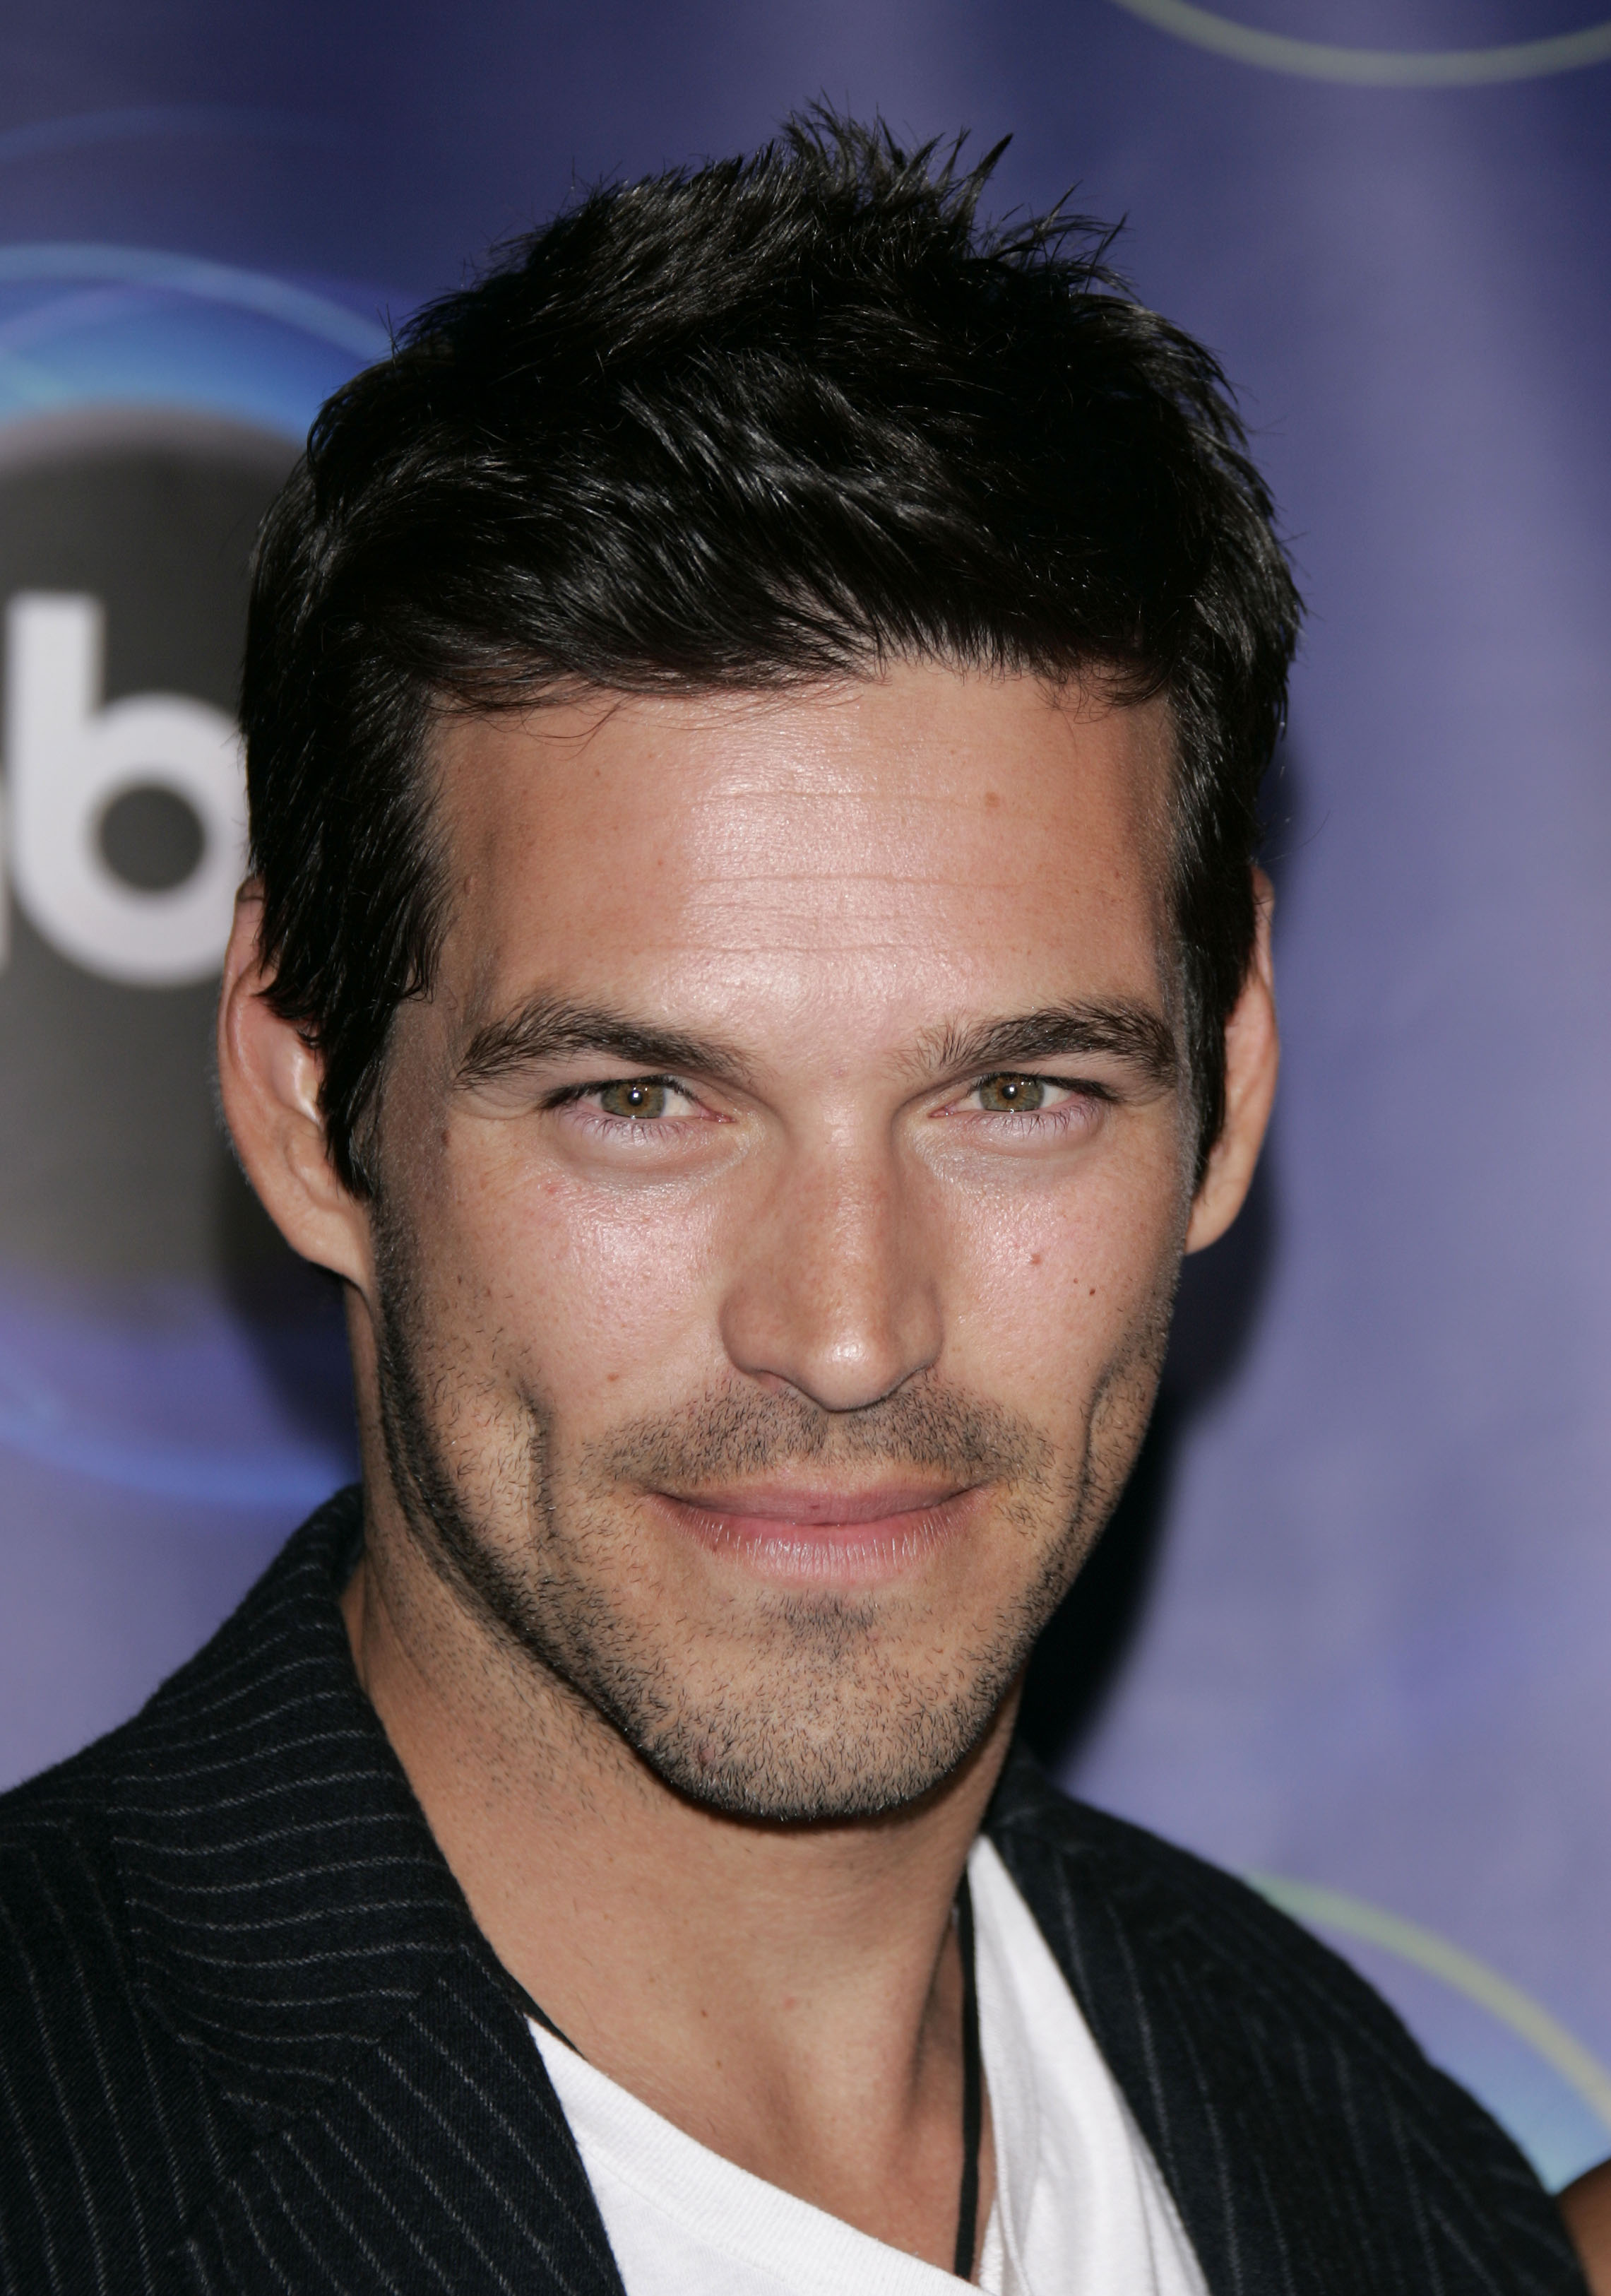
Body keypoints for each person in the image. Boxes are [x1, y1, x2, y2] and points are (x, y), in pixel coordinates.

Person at [0, 115, 1584, 2296]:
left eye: (1013, 1092)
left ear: (1224, 1081)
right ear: (303, 1096)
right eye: (642, 1099)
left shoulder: (1376, 2171)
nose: (845, 1330)